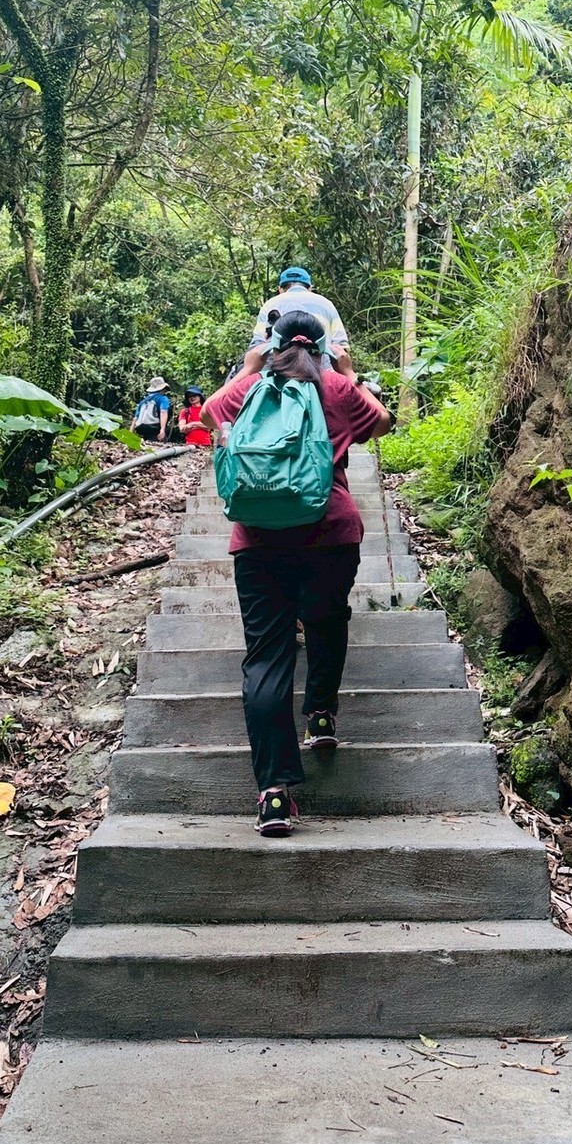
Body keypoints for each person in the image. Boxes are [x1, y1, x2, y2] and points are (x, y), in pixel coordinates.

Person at [201, 310, 390, 837]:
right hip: (331, 533)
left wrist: (249, 366)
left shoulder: (250, 388)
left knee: (266, 659)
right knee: (327, 621)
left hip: (259, 541)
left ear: (273, 344)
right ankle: (321, 714)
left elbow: (209, 416)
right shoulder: (336, 386)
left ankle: (274, 794)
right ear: (323, 346)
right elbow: (381, 423)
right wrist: (349, 373)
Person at [248, 268, 348, 363]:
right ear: (310, 288)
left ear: (280, 289)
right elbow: (341, 346)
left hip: (277, 368)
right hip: (320, 369)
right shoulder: (327, 304)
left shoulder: (270, 304)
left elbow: (257, 344)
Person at [131, 375, 171, 442]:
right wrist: (162, 430)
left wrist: (130, 434)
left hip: (140, 428)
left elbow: (135, 419)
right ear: (163, 388)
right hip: (154, 427)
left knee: (146, 442)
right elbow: (163, 412)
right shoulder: (162, 398)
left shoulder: (143, 401)